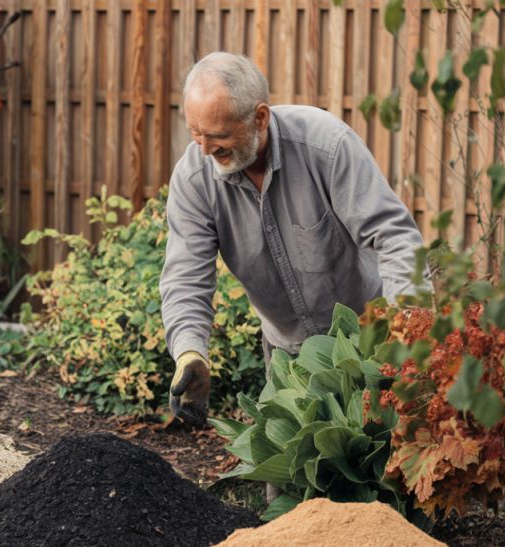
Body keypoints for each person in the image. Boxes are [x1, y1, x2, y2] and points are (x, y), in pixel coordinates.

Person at [160, 52, 426, 429]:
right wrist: (190, 352)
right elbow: (186, 276)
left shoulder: (327, 146)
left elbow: (394, 237)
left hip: (369, 343)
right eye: (195, 133)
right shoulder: (194, 179)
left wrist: (409, 334)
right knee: (291, 478)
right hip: (289, 358)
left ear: (260, 118)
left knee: (381, 473)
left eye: (218, 135)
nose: (205, 149)